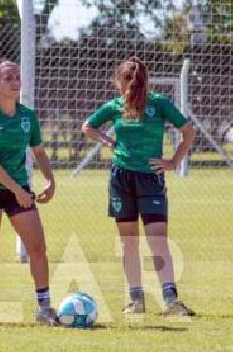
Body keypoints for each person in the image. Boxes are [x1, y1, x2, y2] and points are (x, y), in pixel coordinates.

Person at [82, 56, 196, 316]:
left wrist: (173, 161)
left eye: (136, 81)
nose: (132, 85)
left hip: (150, 178)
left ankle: (170, 300)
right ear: (119, 82)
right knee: (128, 241)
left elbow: (188, 131)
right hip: (121, 178)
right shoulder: (115, 106)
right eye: (129, 80)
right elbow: (87, 127)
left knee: (157, 239)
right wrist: (108, 142)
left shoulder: (159, 103)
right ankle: (136, 300)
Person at [0, 59, 58, 326]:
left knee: (38, 247)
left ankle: (44, 309)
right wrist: (18, 190)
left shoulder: (27, 116)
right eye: (8, 78)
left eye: (17, 77)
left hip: (19, 188)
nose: (15, 82)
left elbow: (38, 151)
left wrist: (50, 180)